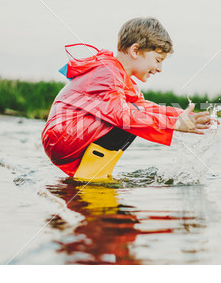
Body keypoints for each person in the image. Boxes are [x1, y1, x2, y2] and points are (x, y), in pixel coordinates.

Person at [42, 17, 211, 182]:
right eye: (158, 60)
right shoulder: (108, 73)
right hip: (63, 137)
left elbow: (143, 107)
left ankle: (96, 173)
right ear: (135, 51)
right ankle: (92, 178)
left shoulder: (117, 74)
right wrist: (173, 124)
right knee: (129, 116)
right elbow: (122, 115)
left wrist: (180, 117)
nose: (160, 69)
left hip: (68, 136)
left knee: (135, 111)